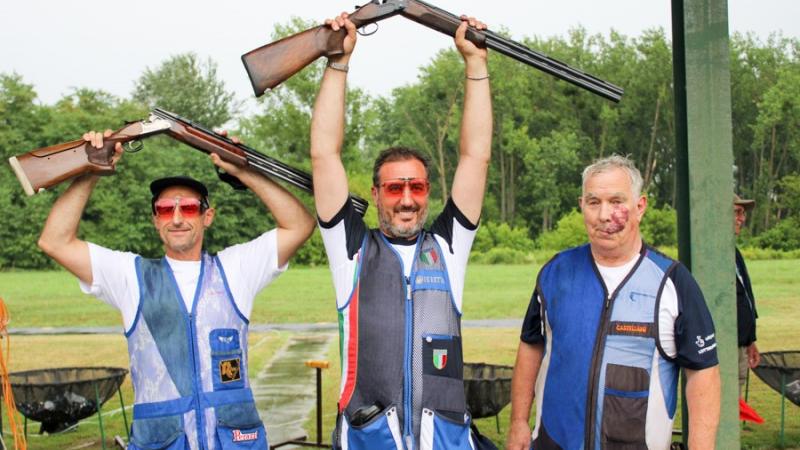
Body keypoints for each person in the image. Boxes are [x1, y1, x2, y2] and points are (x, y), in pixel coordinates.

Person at [37, 130, 315, 450]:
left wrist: (243, 170)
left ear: (207, 216)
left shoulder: (236, 269)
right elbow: (54, 241)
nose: (178, 218)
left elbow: (300, 225)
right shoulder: (131, 276)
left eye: (190, 208)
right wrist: (92, 168)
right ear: (156, 220)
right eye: (167, 209)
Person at [308, 12, 492, 450]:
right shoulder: (350, 248)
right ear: (375, 193)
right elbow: (323, 155)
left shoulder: (448, 246)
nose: (407, 199)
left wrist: (476, 65)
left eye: (417, 186)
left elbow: (476, 156)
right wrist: (337, 62)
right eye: (394, 187)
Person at [507, 155, 721, 450]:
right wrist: (518, 421)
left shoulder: (672, 281)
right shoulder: (555, 273)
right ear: (582, 205)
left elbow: (703, 373)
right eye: (594, 202)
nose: (605, 215)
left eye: (617, 201)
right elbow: (531, 345)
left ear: (640, 206)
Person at [734, 194, 760, 393]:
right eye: (737, 212)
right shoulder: (713, 255)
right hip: (724, 348)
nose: (742, 218)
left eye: (742, 213)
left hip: (739, 344)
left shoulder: (733, 253)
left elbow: (745, 298)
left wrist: (750, 340)